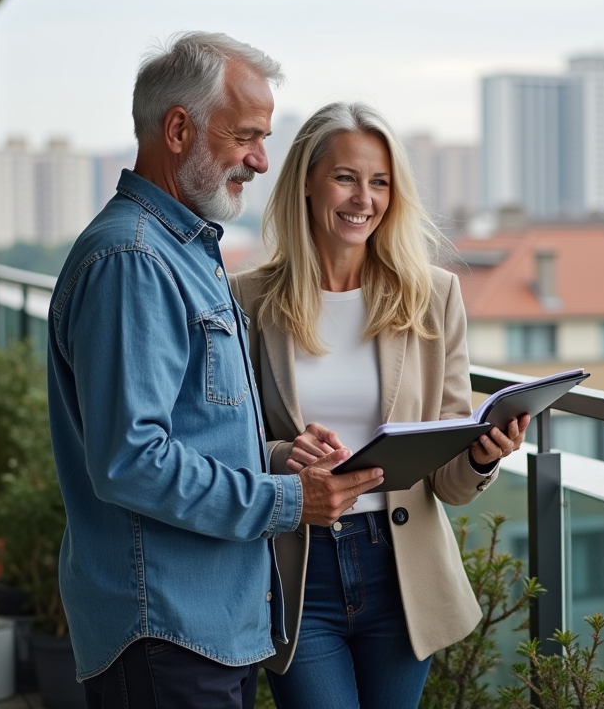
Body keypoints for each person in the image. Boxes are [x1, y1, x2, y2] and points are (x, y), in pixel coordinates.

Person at [47, 34, 385, 709]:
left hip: (208, 626)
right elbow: (131, 460)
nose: (261, 159)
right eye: (246, 136)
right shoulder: (133, 262)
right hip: (165, 632)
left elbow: (190, 436)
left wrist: (281, 458)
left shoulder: (187, 253)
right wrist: (290, 503)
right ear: (179, 129)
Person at [230, 102, 529, 708]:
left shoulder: (433, 297)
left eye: (380, 181)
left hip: (401, 574)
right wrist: (285, 455)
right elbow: (222, 442)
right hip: (299, 567)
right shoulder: (249, 298)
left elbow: (448, 480)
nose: (363, 198)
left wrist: (480, 456)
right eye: (345, 177)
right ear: (308, 182)